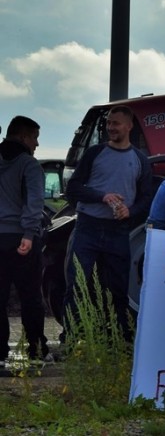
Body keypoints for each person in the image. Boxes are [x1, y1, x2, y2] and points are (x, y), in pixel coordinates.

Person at [64, 106, 152, 342]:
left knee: (118, 288)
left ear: (129, 126)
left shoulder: (140, 160)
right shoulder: (94, 153)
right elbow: (73, 188)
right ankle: (73, 339)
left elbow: (146, 198)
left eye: (116, 123)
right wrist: (101, 196)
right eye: (109, 123)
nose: (111, 128)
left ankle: (119, 341)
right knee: (77, 284)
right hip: (88, 227)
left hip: (118, 230)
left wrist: (130, 211)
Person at [0, 116, 49, 362]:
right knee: (30, 297)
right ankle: (36, 350)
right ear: (23, 137)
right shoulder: (29, 164)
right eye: (35, 138)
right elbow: (35, 201)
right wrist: (29, 233)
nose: (37, 144)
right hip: (22, 239)